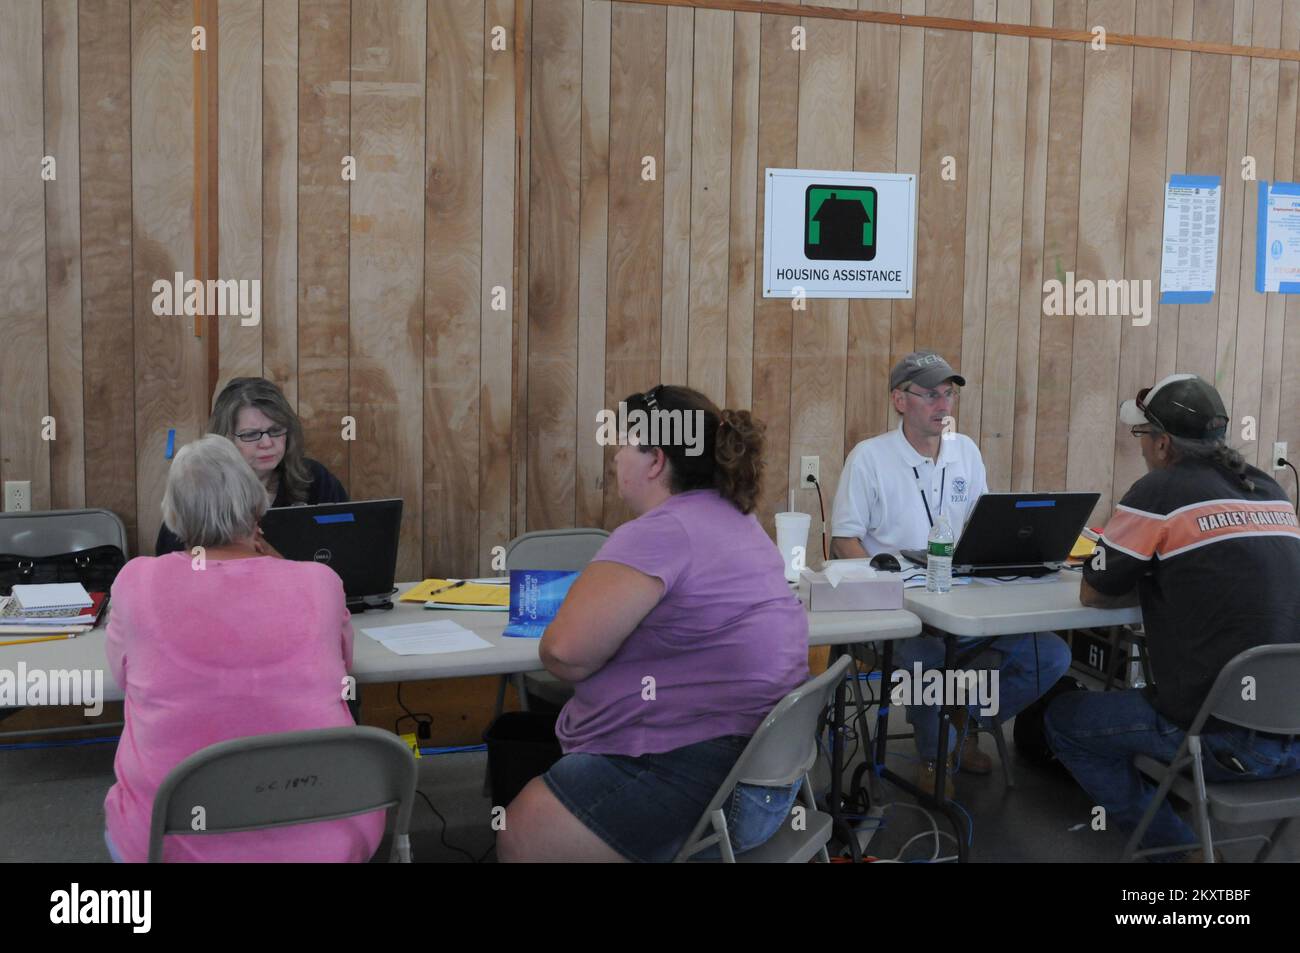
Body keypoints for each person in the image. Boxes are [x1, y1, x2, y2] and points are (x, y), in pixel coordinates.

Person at [497, 386, 810, 862]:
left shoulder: (661, 531)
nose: (615, 457)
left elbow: (563, 654)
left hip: (707, 783)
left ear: (656, 460)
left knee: (521, 830)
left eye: (623, 444)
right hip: (767, 781)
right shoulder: (739, 519)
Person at [1046, 373, 1300, 860]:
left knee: (1064, 720)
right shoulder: (1270, 488)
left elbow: (1093, 594)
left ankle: (1174, 849)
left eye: (1143, 437)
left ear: (1162, 444)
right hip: (1292, 730)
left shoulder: (1159, 491)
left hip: (1226, 744)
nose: (1142, 449)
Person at [104, 435, 384, 862]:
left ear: (174, 517)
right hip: (325, 833)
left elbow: (125, 678)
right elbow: (344, 670)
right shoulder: (319, 582)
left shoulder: (135, 581)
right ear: (257, 509)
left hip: (168, 837)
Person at [830, 350, 1071, 795]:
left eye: (949, 394)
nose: (943, 405)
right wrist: (887, 591)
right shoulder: (869, 457)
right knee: (927, 661)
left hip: (964, 599)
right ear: (900, 400)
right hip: (901, 610)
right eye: (930, 395)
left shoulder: (966, 452)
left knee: (1051, 656)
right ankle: (934, 754)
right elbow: (843, 541)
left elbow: (982, 527)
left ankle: (960, 725)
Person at [155, 377, 347, 556]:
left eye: (275, 430)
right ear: (225, 438)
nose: (267, 443)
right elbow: (172, 561)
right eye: (250, 434)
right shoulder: (199, 485)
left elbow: (348, 541)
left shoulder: (313, 477)